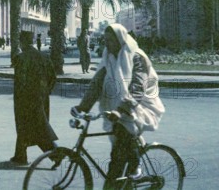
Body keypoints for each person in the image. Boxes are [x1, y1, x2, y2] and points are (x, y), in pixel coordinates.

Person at [71, 24, 165, 190]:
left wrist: (121, 110)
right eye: (105, 40)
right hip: (119, 109)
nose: (106, 44)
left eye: (110, 40)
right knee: (120, 145)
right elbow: (96, 84)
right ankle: (125, 181)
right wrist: (82, 108)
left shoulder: (136, 56)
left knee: (118, 152)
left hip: (141, 105)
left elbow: (138, 87)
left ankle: (133, 172)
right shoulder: (109, 58)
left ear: (120, 40)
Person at [11, 30, 58, 165]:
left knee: (35, 128)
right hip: (41, 98)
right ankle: (20, 155)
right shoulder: (44, 56)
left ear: (22, 42)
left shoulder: (21, 58)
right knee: (33, 127)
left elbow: (20, 82)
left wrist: (20, 98)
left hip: (26, 99)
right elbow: (53, 77)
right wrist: (45, 92)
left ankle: (56, 155)